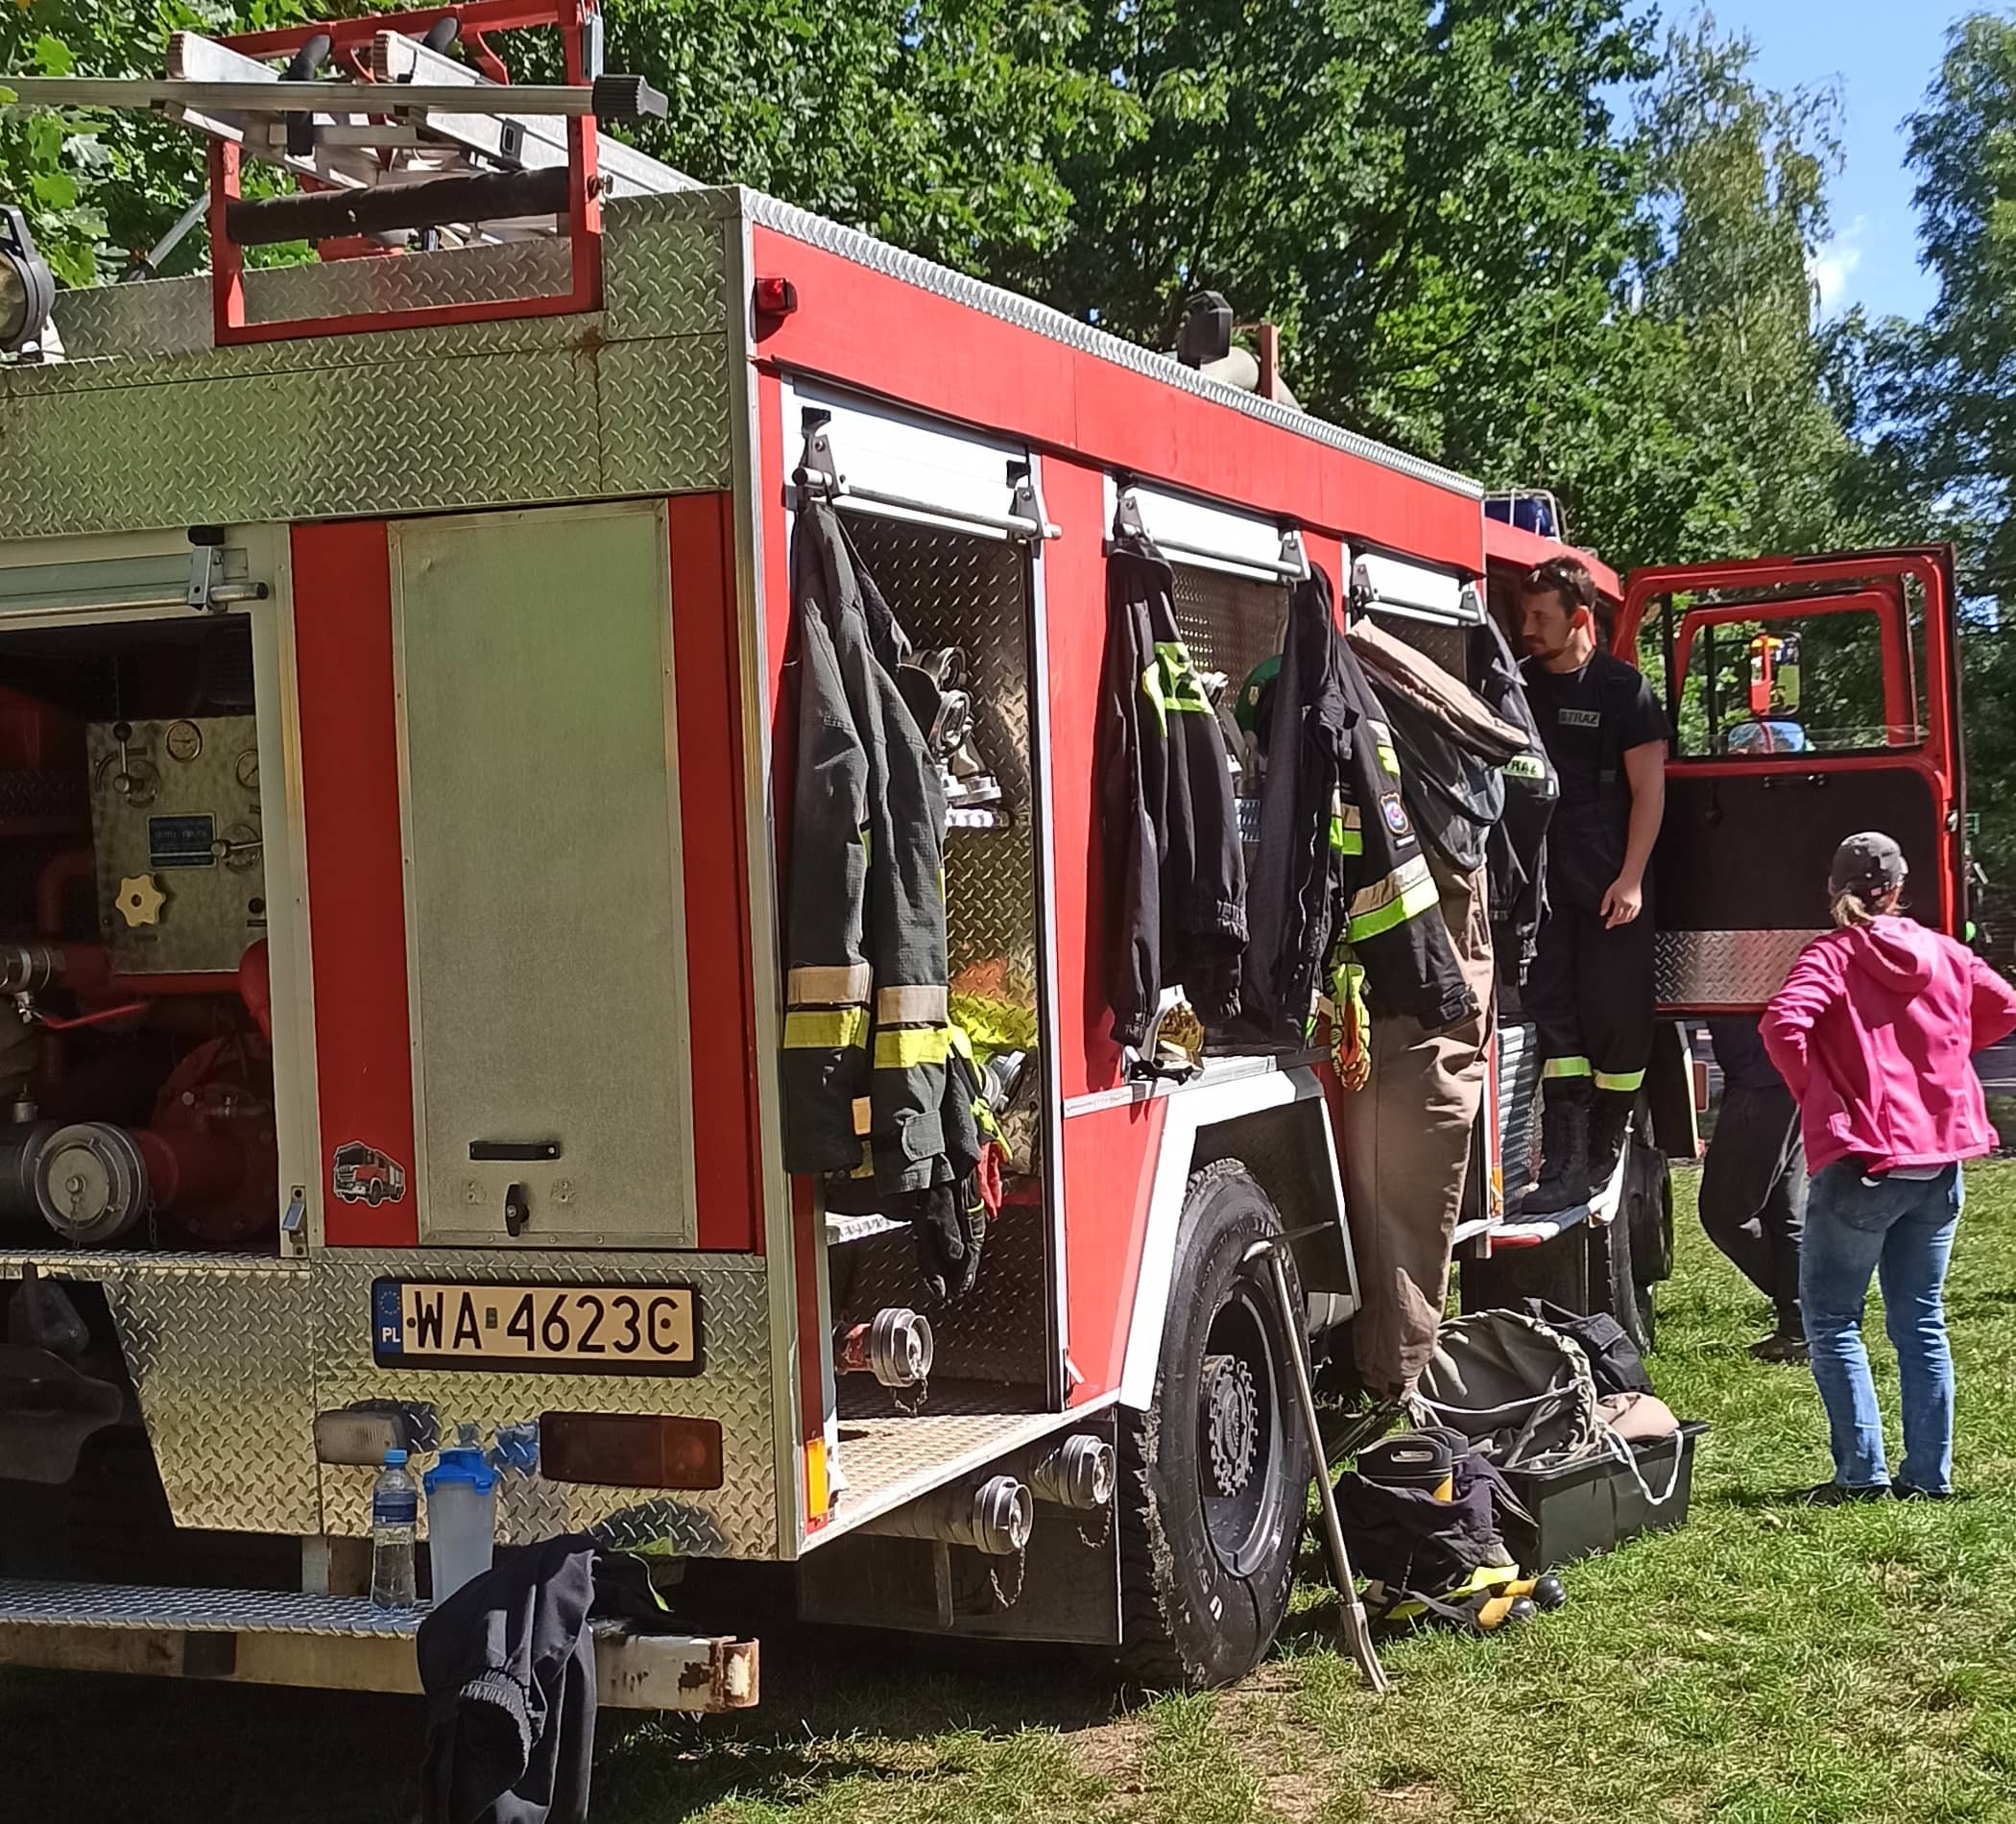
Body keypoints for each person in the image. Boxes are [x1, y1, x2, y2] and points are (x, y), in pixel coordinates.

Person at [1761, 832, 2016, 1502]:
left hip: (1865, 1160)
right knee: (1920, 1319)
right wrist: (1944, 1057)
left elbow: (1782, 1025)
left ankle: (1861, 1475)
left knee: (1833, 1319)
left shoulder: (1833, 955)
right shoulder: (1944, 952)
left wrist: (1818, 1091)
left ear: (1833, 887)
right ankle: (1929, 1478)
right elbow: (2004, 1006)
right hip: (1937, 1163)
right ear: (1901, 889)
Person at [1517, 558, 1669, 1212]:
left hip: (1610, 868)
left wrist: (1631, 878)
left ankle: (1609, 1138)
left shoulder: (1623, 691)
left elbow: (1649, 792)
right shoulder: (1517, 687)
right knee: (1553, 1013)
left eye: (1539, 617)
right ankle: (1564, 1158)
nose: (1526, 628)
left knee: (1616, 1014)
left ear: (1579, 618)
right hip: (1543, 873)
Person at [1700, 1015, 1807, 1361]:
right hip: (1783, 1071)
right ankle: (1804, 1328)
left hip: (1762, 1077)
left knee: (1725, 1213)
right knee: (1785, 1214)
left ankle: (1815, 1317)